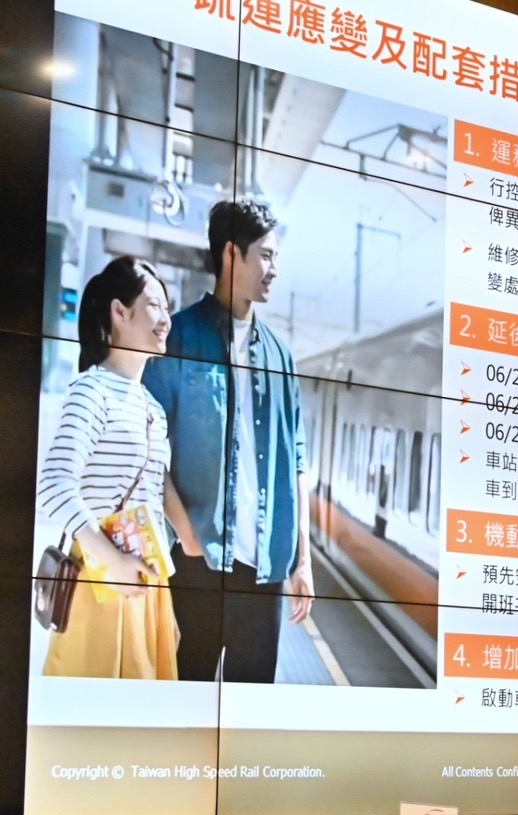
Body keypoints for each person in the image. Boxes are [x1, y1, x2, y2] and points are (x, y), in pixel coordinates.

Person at [144, 198, 314, 684]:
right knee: (182, 701)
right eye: (266, 255)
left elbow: (296, 461)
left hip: (265, 572)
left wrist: (303, 561)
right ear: (231, 254)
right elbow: (150, 449)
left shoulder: (281, 356)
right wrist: (188, 537)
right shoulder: (178, 338)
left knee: (248, 712)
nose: (274, 269)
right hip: (196, 563)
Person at [38, 256, 181, 679]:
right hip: (98, 583)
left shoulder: (153, 408)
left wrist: (166, 603)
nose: (165, 320)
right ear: (120, 312)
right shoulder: (91, 390)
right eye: (154, 306)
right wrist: (112, 561)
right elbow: (54, 485)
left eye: (168, 308)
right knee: (93, 711)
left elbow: (150, 508)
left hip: (145, 587)